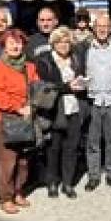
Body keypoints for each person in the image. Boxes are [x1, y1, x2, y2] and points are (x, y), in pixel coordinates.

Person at [0, 28, 39, 214]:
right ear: (4, 46)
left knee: (24, 161)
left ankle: (18, 191)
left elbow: (36, 89)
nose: (15, 46)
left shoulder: (29, 66)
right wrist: (18, 108)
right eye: (11, 43)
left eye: (18, 42)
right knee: (7, 162)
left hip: (26, 118)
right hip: (5, 119)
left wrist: (32, 107)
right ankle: (5, 197)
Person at [35, 26, 86, 198]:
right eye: (60, 42)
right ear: (53, 44)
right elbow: (45, 86)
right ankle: (52, 183)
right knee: (53, 148)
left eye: (67, 41)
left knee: (71, 148)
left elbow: (81, 78)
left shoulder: (77, 58)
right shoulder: (45, 60)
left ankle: (68, 183)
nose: (64, 45)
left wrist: (82, 84)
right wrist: (67, 87)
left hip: (74, 108)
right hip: (54, 109)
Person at [83, 12, 111, 191]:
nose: (102, 29)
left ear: (110, 29)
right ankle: (93, 176)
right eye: (99, 26)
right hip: (92, 100)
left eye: (105, 26)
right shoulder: (83, 48)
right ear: (93, 28)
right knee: (92, 141)